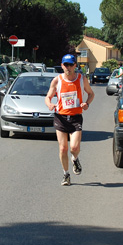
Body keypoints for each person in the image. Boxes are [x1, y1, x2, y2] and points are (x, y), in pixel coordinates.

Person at [45, 54, 95, 186]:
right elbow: (48, 97)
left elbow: (91, 94)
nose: (68, 67)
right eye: (65, 65)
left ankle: (75, 158)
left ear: (75, 66)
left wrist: (87, 104)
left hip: (75, 117)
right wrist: (50, 104)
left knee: (74, 147)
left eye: (70, 65)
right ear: (62, 66)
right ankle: (66, 174)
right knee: (63, 149)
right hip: (60, 117)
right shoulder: (57, 80)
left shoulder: (81, 79)